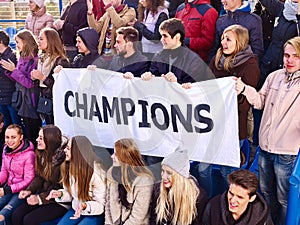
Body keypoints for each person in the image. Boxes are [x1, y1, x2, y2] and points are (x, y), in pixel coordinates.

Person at [235, 36, 300, 225]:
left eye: (295, 56)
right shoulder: (274, 76)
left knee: (284, 199)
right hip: (264, 149)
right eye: (287, 55)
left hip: (286, 153)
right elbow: (260, 101)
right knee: (266, 193)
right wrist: (244, 89)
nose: (289, 60)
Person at [11, 125, 68, 225]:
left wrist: (40, 199)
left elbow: (59, 188)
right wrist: (29, 190)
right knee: (16, 215)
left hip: (59, 201)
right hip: (43, 194)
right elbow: (39, 176)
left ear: (49, 140)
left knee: (29, 220)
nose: (37, 139)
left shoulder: (62, 161)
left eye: (41, 138)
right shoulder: (41, 153)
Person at [46, 136, 106, 225]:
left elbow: (101, 205)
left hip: (94, 212)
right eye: (66, 147)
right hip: (76, 207)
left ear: (77, 153)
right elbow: (71, 194)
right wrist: (60, 194)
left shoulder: (97, 173)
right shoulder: (69, 167)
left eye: (68, 149)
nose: (65, 151)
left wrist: (85, 206)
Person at [142, 18, 214, 84]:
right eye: (161, 36)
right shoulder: (158, 56)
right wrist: (149, 76)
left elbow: (194, 89)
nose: (161, 40)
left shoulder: (193, 61)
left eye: (165, 36)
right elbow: (154, 77)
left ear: (177, 37)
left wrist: (176, 83)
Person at [0, 29, 41, 145]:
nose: (16, 45)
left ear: (26, 42)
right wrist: (9, 71)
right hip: (20, 99)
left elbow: (29, 83)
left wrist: (14, 70)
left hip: (30, 100)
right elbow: (18, 79)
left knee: (31, 130)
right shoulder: (22, 57)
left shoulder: (34, 59)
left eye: (18, 42)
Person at [150, 149, 207, 225]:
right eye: (162, 171)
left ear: (180, 176)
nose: (163, 176)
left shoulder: (197, 197)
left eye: (169, 173)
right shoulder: (158, 190)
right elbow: (154, 220)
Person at [105, 138, 154, 225]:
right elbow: (108, 205)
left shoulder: (144, 182)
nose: (111, 156)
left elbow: (137, 218)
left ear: (125, 158)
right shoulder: (112, 173)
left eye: (116, 154)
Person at [202, 169, 273, 225]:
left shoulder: (261, 215)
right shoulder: (213, 206)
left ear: (252, 198)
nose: (232, 200)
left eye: (240, 197)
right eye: (231, 193)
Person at [30, 27, 69, 125]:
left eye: (41, 39)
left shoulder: (61, 61)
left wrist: (43, 78)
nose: (38, 41)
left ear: (50, 41)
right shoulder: (41, 57)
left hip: (54, 101)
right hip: (43, 98)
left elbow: (61, 85)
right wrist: (35, 77)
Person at [0, 124, 35, 225]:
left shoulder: (29, 155)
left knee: (2, 215)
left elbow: (29, 179)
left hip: (22, 191)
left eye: (13, 137)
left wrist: (7, 190)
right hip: (9, 187)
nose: (10, 141)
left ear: (21, 137)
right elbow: (4, 171)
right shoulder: (5, 149)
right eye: (7, 137)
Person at [0, 30, 21, 128]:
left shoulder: (12, 56)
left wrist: (10, 71)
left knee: (16, 125)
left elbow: (17, 77)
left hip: (12, 98)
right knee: (4, 125)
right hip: (2, 98)